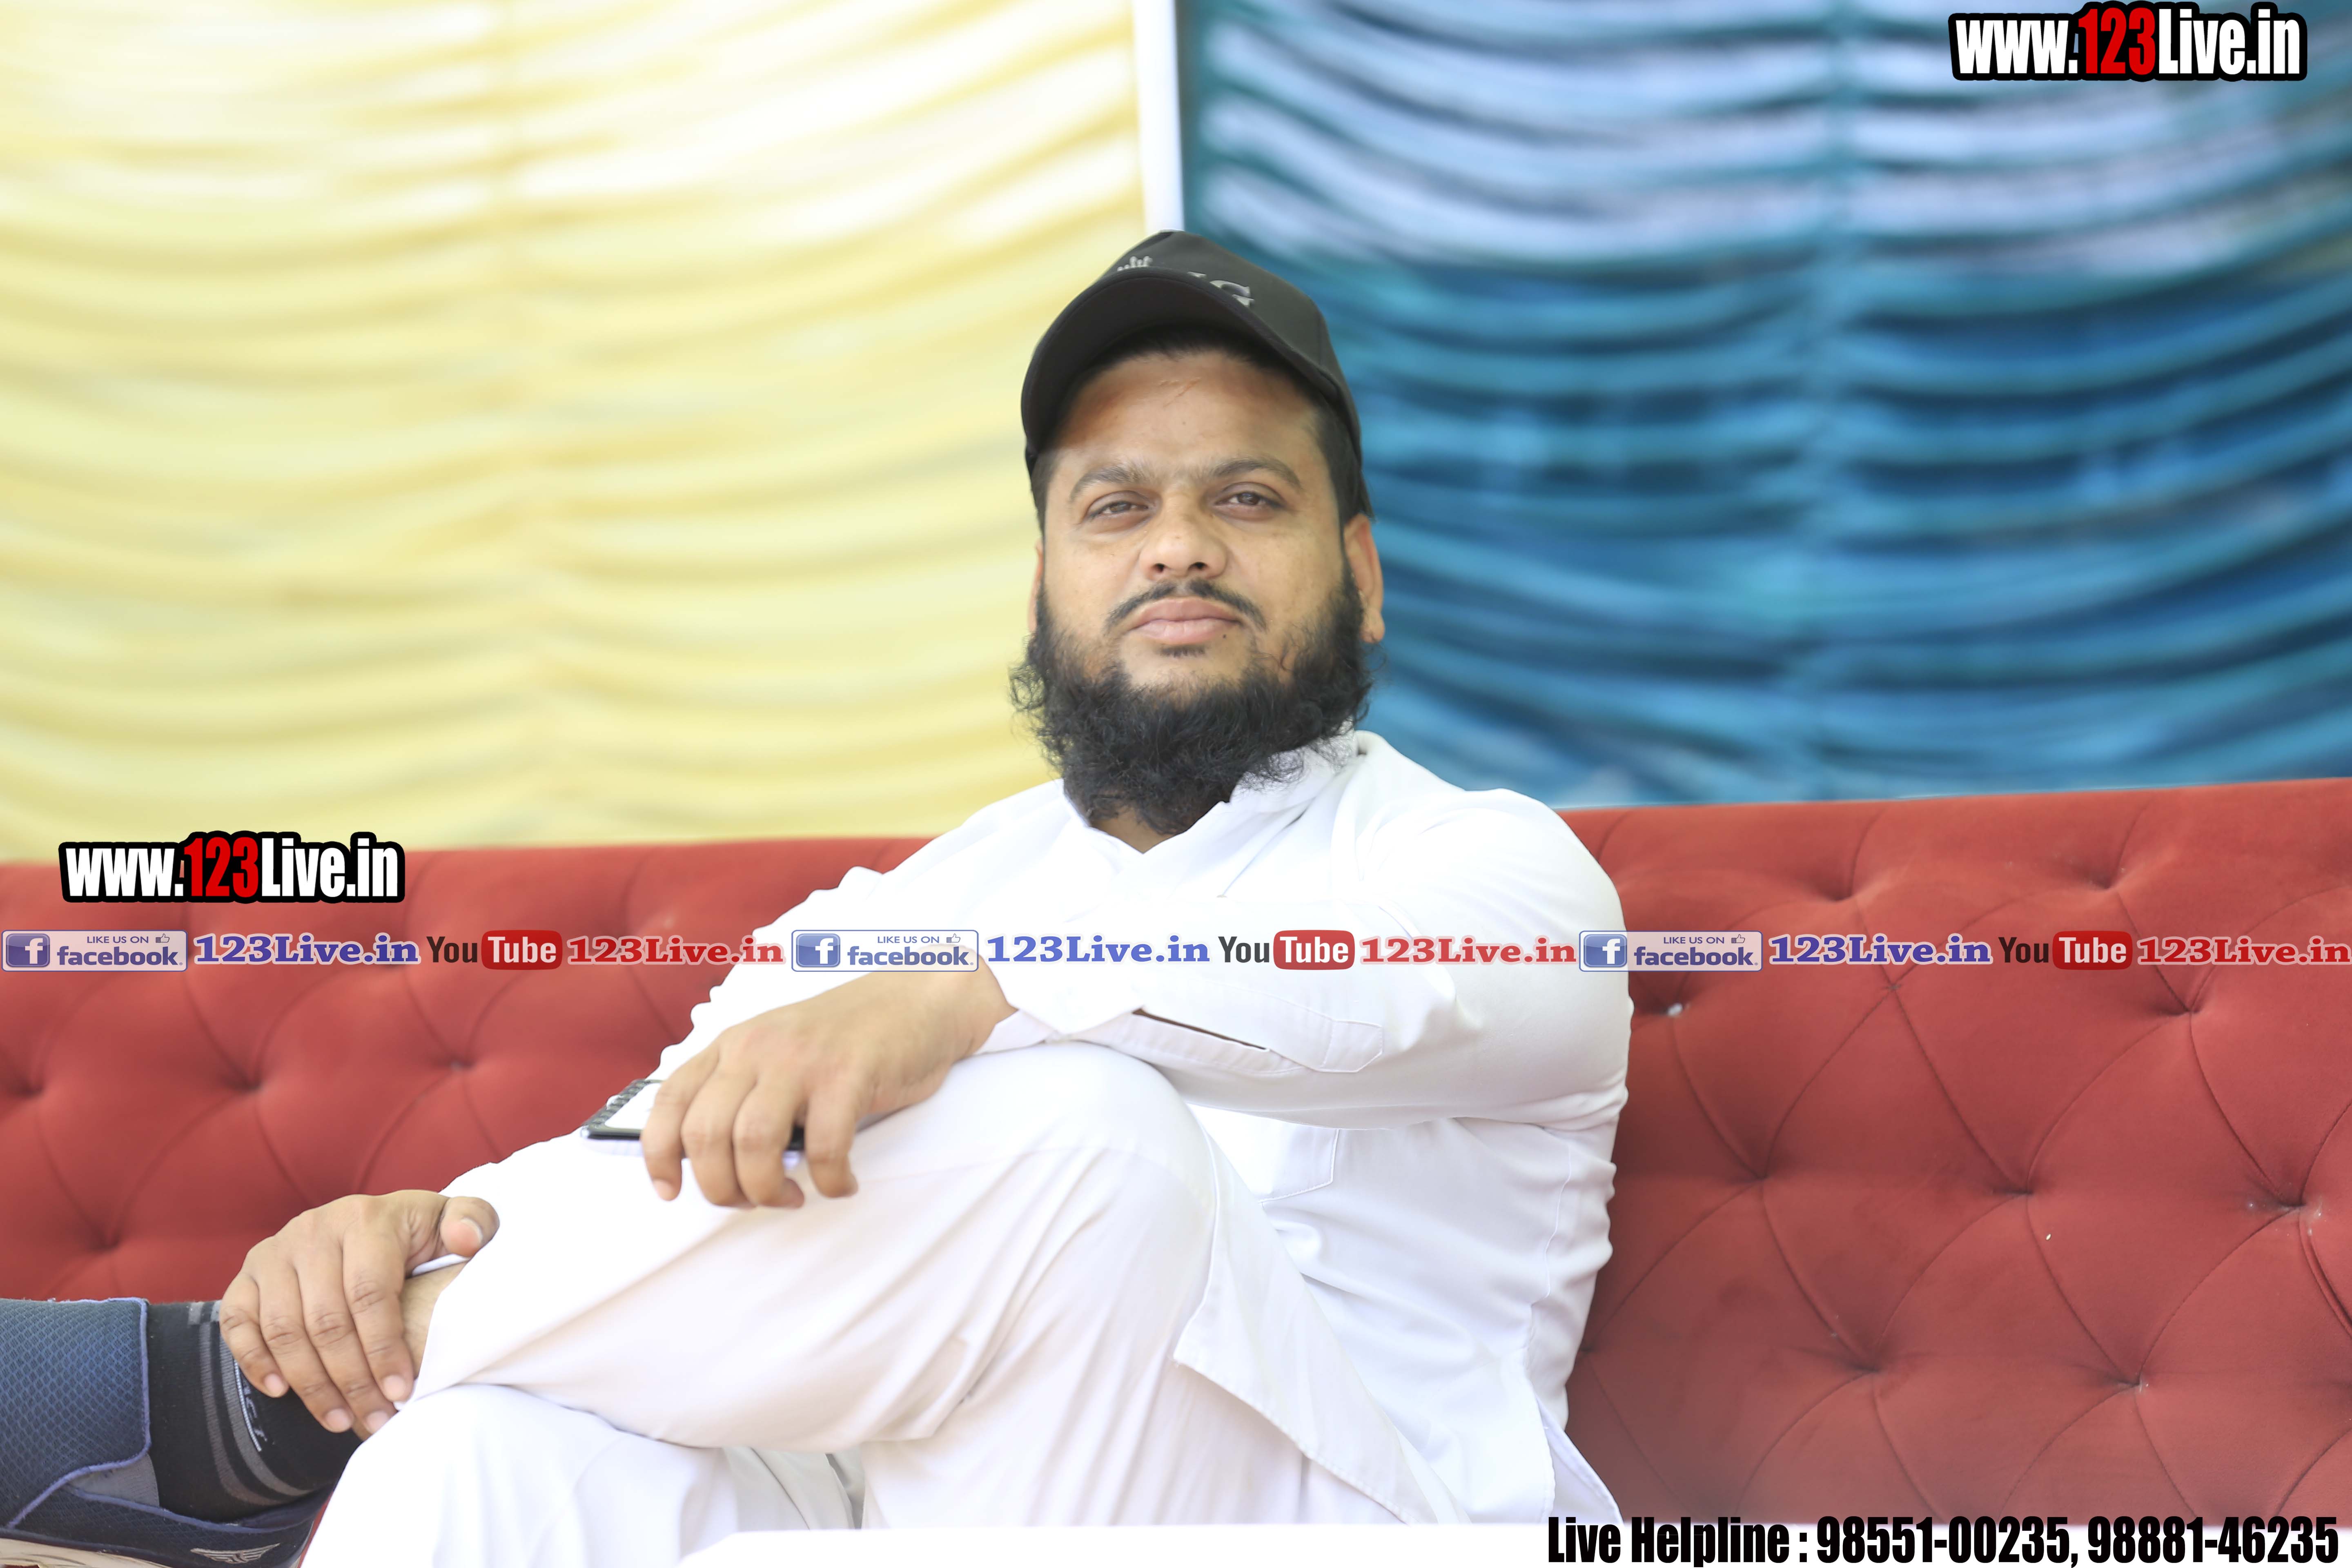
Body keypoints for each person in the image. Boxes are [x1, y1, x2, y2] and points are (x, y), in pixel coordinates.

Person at [3, 233, 1631, 1568]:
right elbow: (653, 1174)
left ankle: (227, 1419)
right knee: (480, 1459)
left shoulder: (1494, 869)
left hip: (1352, 1532)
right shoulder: (911, 906)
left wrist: (972, 999)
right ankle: (273, 1401)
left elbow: (1344, 984)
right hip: (936, 1526)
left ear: (1363, 576)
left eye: (1248, 500)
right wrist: (407, 1247)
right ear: (1047, 584)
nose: (1178, 549)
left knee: (1095, 1138)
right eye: (1117, 506)